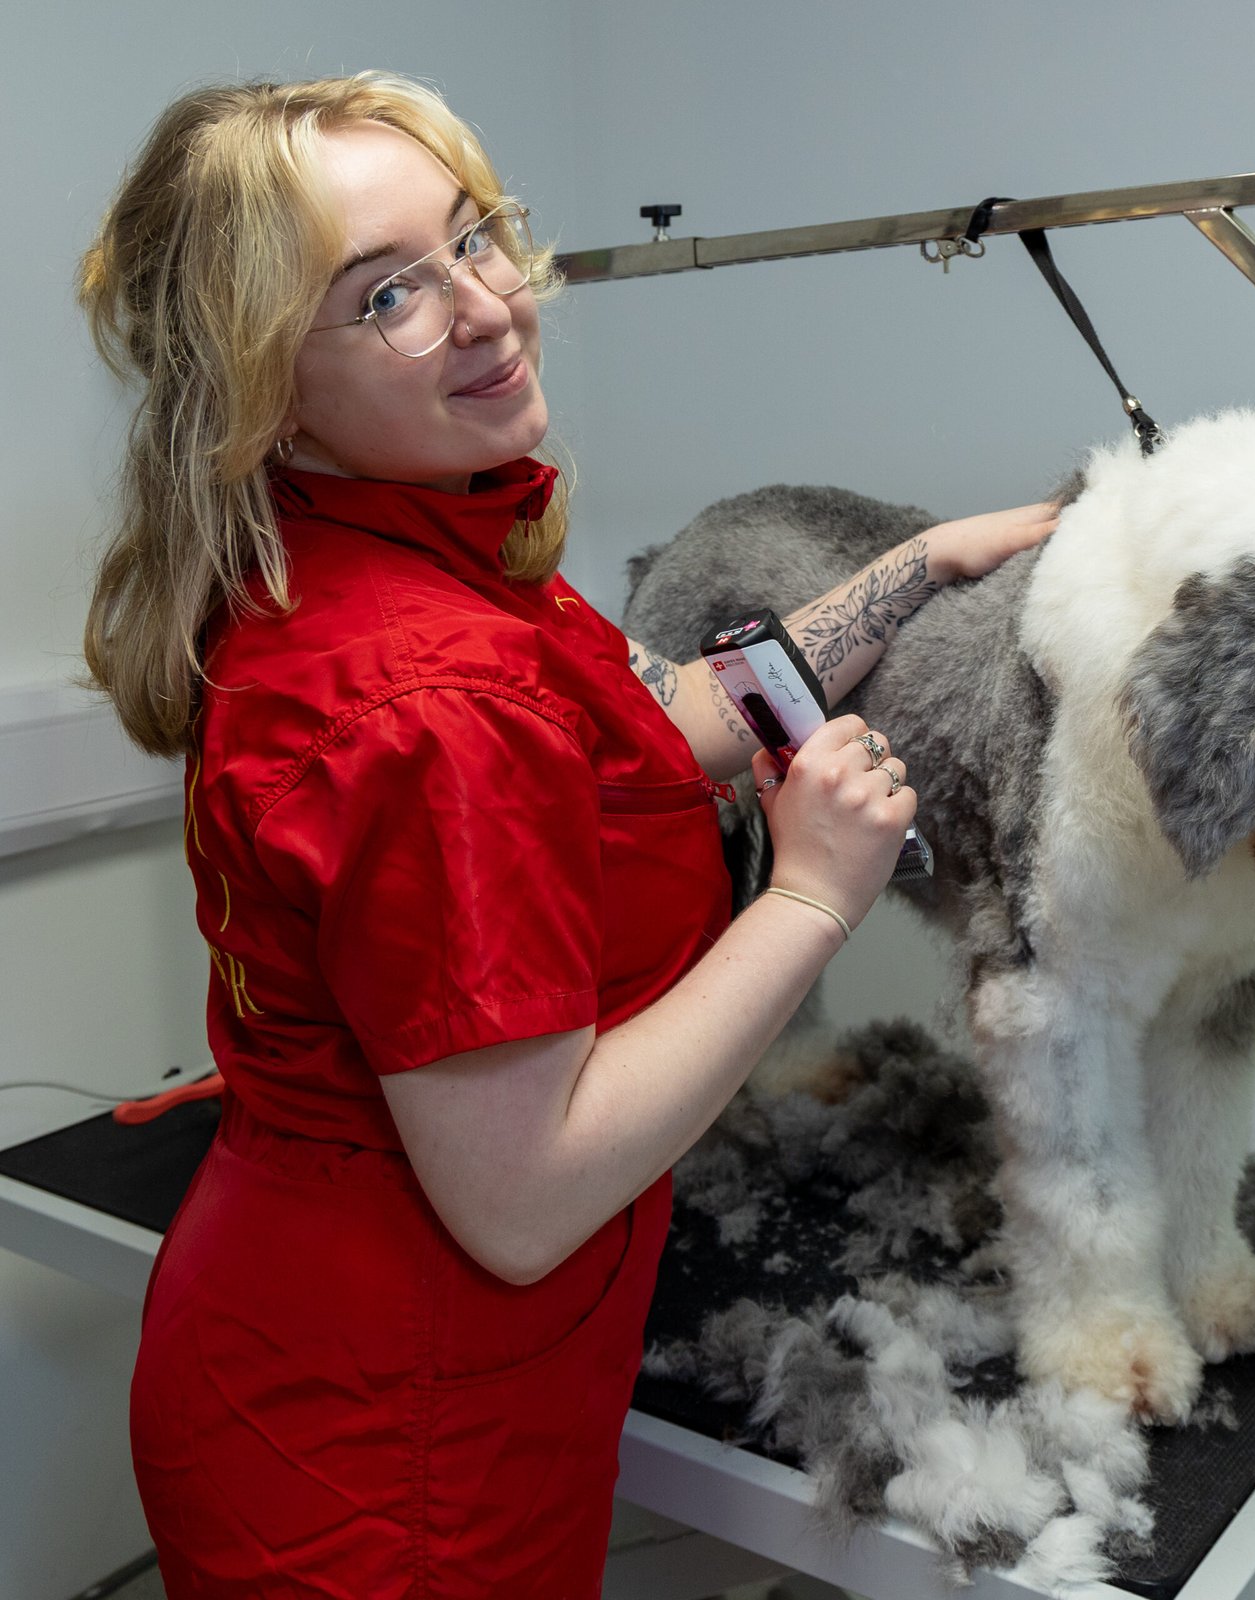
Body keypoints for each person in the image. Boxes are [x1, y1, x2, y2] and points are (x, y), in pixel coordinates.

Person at [80, 72, 1056, 1598]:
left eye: (474, 237)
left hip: (375, 1372)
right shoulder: (427, 699)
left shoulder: (412, 557)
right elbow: (522, 1201)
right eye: (388, 294)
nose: (488, 308)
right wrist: (809, 898)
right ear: (261, 382)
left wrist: (918, 568)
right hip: (387, 1466)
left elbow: (672, 723)